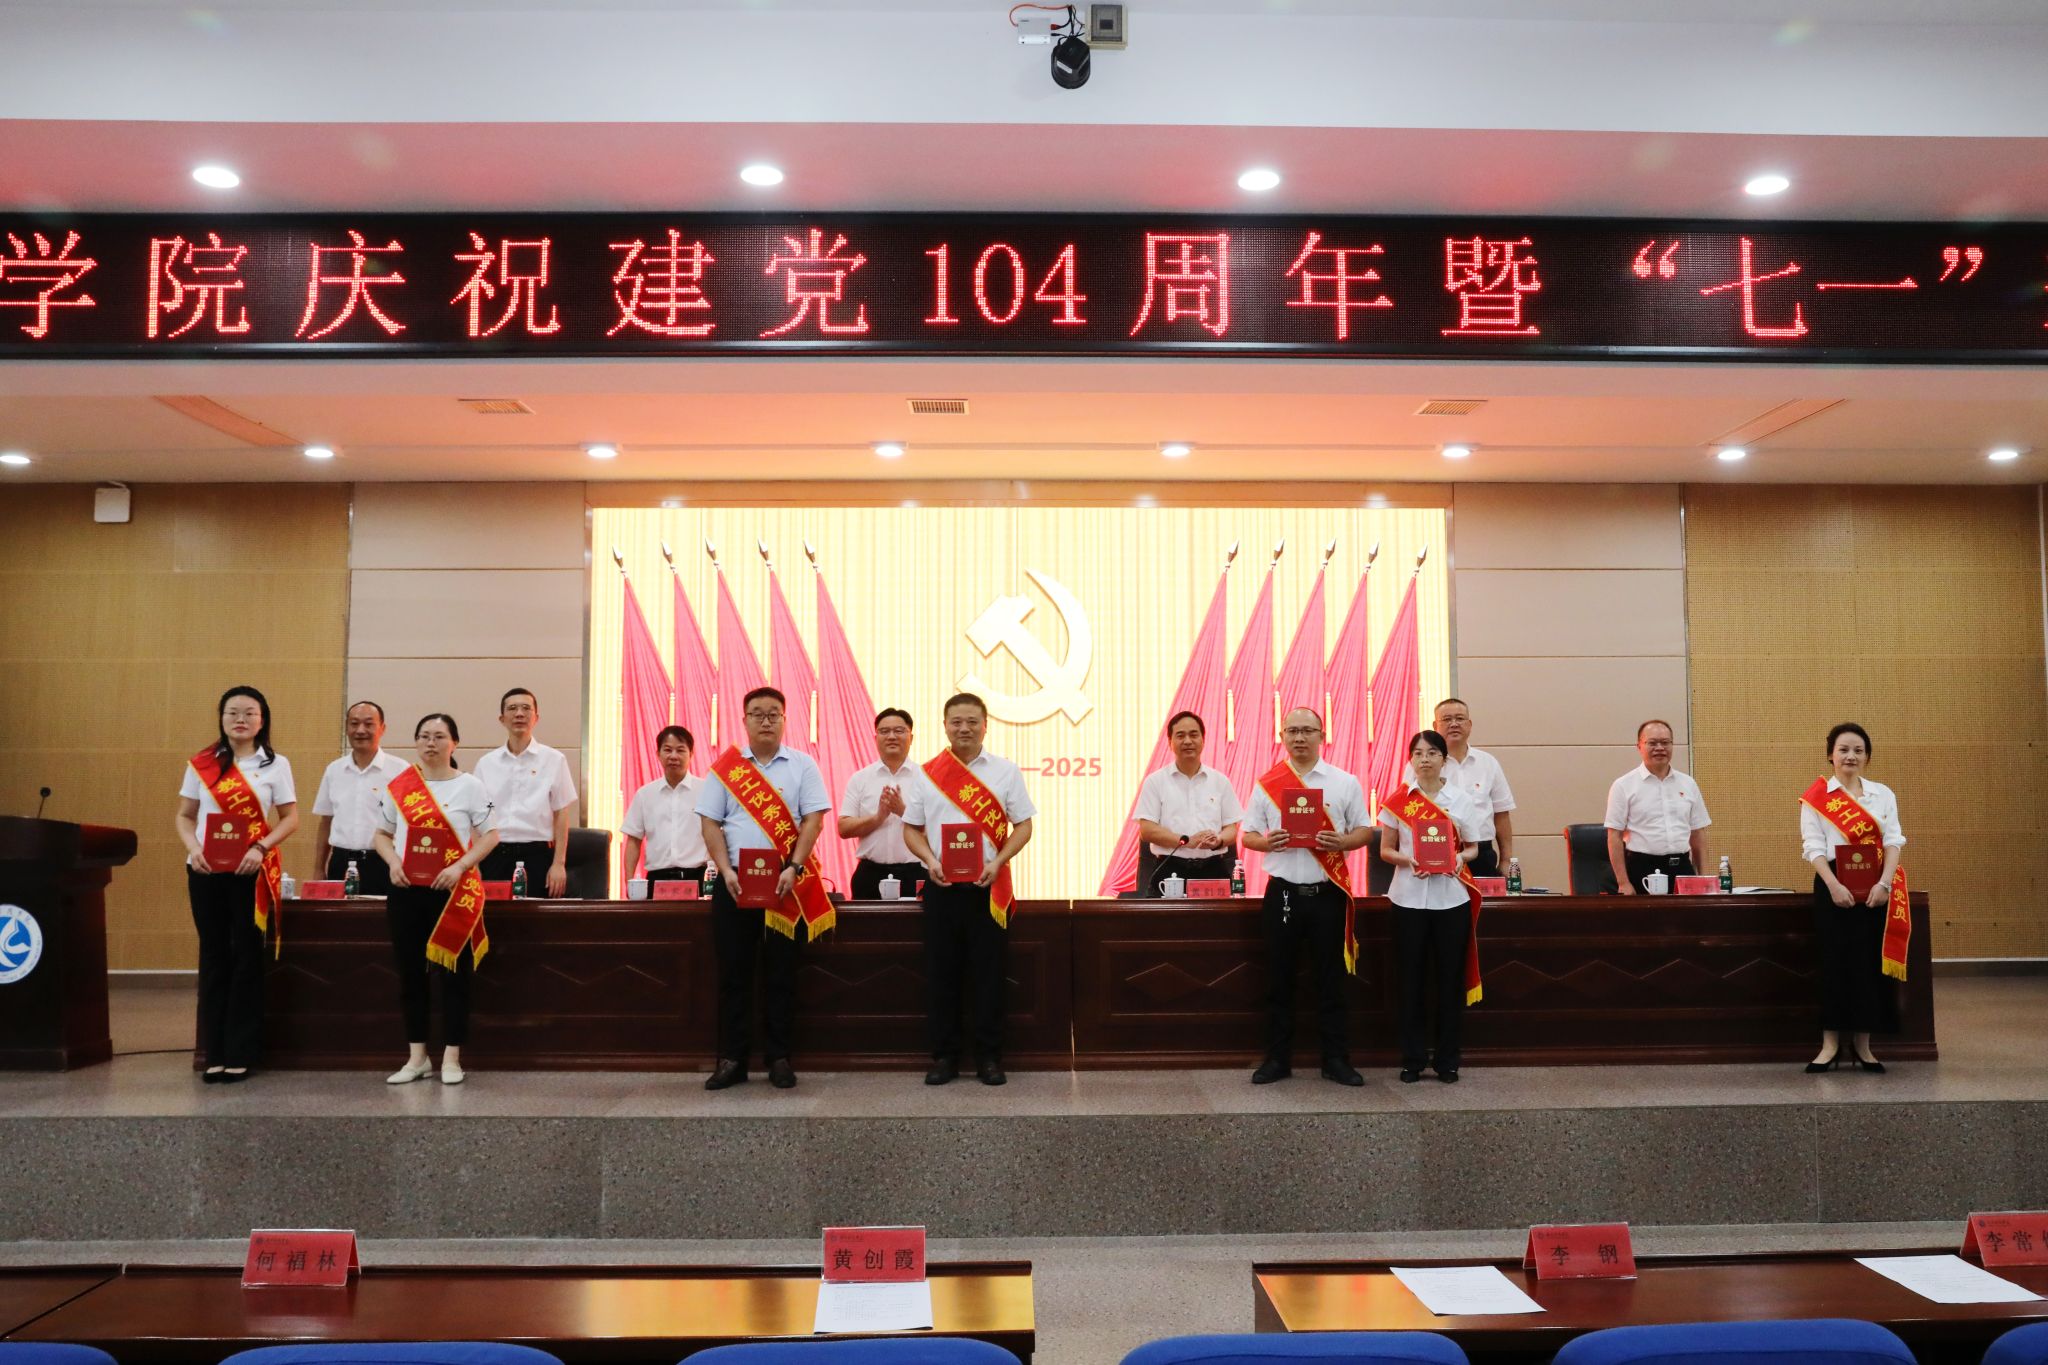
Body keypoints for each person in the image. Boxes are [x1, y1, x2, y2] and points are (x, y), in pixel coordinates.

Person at [695, 685, 832, 1091]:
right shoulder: (726, 769)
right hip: (735, 882)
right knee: (733, 974)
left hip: (785, 883)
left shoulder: (802, 766)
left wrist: (795, 866)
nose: (766, 720)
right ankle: (732, 1059)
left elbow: (814, 820)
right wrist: (724, 870)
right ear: (745, 720)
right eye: (758, 714)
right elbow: (710, 822)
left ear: (785, 719)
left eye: (774, 714)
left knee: (781, 974)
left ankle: (779, 1058)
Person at [902, 692, 1036, 1087]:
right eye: (956, 721)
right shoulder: (927, 774)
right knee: (942, 975)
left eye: (972, 721)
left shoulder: (1005, 771)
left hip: (988, 890)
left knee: (989, 977)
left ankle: (989, 1058)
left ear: (985, 726)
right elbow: (911, 830)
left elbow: (1024, 825)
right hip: (941, 888)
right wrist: (930, 860)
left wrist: (998, 861)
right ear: (945, 726)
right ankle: (944, 1057)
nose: (964, 728)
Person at [1238, 706, 1371, 1086]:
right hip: (1282, 893)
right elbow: (1247, 835)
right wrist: (1267, 843)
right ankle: (1277, 1060)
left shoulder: (1344, 782)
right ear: (1282, 736)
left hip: (1327, 893)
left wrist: (1341, 841)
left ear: (1321, 736)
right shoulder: (1268, 784)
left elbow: (1364, 831)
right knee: (1279, 979)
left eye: (1307, 731)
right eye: (1292, 731)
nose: (1299, 738)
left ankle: (1336, 1060)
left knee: (1332, 979)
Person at [174, 685, 298, 1084]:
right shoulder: (202, 764)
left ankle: (241, 1051)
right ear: (222, 718)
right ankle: (214, 1051)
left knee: (247, 956)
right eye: (232, 712)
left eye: (249, 713)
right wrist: (194, 848)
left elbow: (290, 819)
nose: (240, 719)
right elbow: (185, 816)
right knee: (214, 955)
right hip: (206, 871)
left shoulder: (276, 765)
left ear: (262, 720)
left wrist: (261, 848)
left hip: (250, 871)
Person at [372, 713, 498, 1085]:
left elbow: (491, 835)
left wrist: (460, 866)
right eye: (424, 735)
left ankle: (452, 1058)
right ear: (415, 742)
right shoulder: (401, 786)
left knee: (455, 977)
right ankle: (417, 1058)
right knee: (411, 975)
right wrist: (393, 861)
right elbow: (381, 834)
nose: (431, 743)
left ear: (454, 743)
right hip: (406, 891)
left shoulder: (470, 786)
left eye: (439, 736)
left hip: (452, 892)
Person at [1799, 722, 1907, 1074]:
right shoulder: (1816, 798)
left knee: (1869, 965)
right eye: (1843, 749)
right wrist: (1833, 885)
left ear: (1867, 757)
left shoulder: (1882, 794)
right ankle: (1829, 1046)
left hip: (1875, 887)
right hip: (1833, 886)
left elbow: (1893, 841)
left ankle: (1864, 1046)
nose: (1851, 756)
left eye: (1858, 750)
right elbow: (1813, 847)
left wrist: (1885, 884)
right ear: (1830, 755)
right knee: (1834, 963)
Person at [1379, 729, 1484, 1084]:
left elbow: (1474, 847)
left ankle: (1447, 1060)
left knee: (1449, 981)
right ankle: (1412, 1059)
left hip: (1450, 900)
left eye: (1432, 753)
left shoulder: (1460, 800)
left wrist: (1458, 859)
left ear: (1443, 759)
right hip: (1407, 899)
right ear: (1410, 760)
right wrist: (1408, 860)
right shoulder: (1398, 801)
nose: (1424, 759)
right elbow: (1385, 850)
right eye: (1418, 754)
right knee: (1410, 981)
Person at [475, 687, 578, 897]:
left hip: (538, 856)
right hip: (494, 855)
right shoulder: (486, 764)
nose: (519, 714)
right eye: (512, 708)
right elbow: (476, 817)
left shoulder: (554, 760)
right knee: (494, 915)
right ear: (502, 719)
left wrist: (558, 864)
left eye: (526, 708)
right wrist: (473, 862)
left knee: (536, 914)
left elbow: (561, 814)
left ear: (536, 717)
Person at [1401, 698, 1515, 878]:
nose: (1454, 724)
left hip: (1481, 854)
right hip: (1435, 852)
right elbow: (1406, 808)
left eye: (1460, 719)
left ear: (1469, 724)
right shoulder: (1420, 764)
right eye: (1447, 719)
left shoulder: (1488, 763)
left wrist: (1506, 859)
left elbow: (1501, 814)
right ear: (1435, 726)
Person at [1133, 710, 1243, 891]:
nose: (1187, 741)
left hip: (1213, 869)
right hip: (1170, 869)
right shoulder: (1155, 782)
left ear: (1203, 740)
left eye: (1193, 735)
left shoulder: (1220, 781)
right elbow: (1147, 830)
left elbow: (1232, 829)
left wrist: (1218, 840)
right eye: (1180, 736)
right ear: (1170, 742)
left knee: (1220, 911)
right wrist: (1187, 841)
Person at [310, 699, 408, 894]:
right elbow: (326, 822)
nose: (360, 730)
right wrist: (318, 868)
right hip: (340, 862)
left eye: (369, 724)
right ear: (346, 728)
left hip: (384, 863)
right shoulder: (334, 770)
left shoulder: (400, 770)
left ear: (382, 728)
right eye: (354, 724)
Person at [1604, 719, 1711, 894]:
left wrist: (1705, 879)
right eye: (1652, 743)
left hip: (1682, 868)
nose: (1660, 748)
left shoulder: (1688, 783)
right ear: (1639, 746)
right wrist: (1623, 882)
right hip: (1642, 869)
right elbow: (1614, 836)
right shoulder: (1623, 785)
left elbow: (1698, 834)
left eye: (1665, 742)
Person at [837, 708, 925, 899]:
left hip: (916, 873)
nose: (892, 736)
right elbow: (843, 828)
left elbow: (937, 832)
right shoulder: (860, 779)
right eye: (884, 731)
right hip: (870, 874)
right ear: (875, 738)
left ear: (911, 737)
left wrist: (903, 812)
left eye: (899, 731)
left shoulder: (927, 778)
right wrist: (878, 817)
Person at [621, 725, 708, 886]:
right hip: (657, 879)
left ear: (691, 754)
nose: (673, 756)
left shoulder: (706, 791)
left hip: (697, 877)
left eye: (680, 750)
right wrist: (629, 882)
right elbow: (633, 841)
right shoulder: (644, 794)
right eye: (667, 750)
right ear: (658, 754)